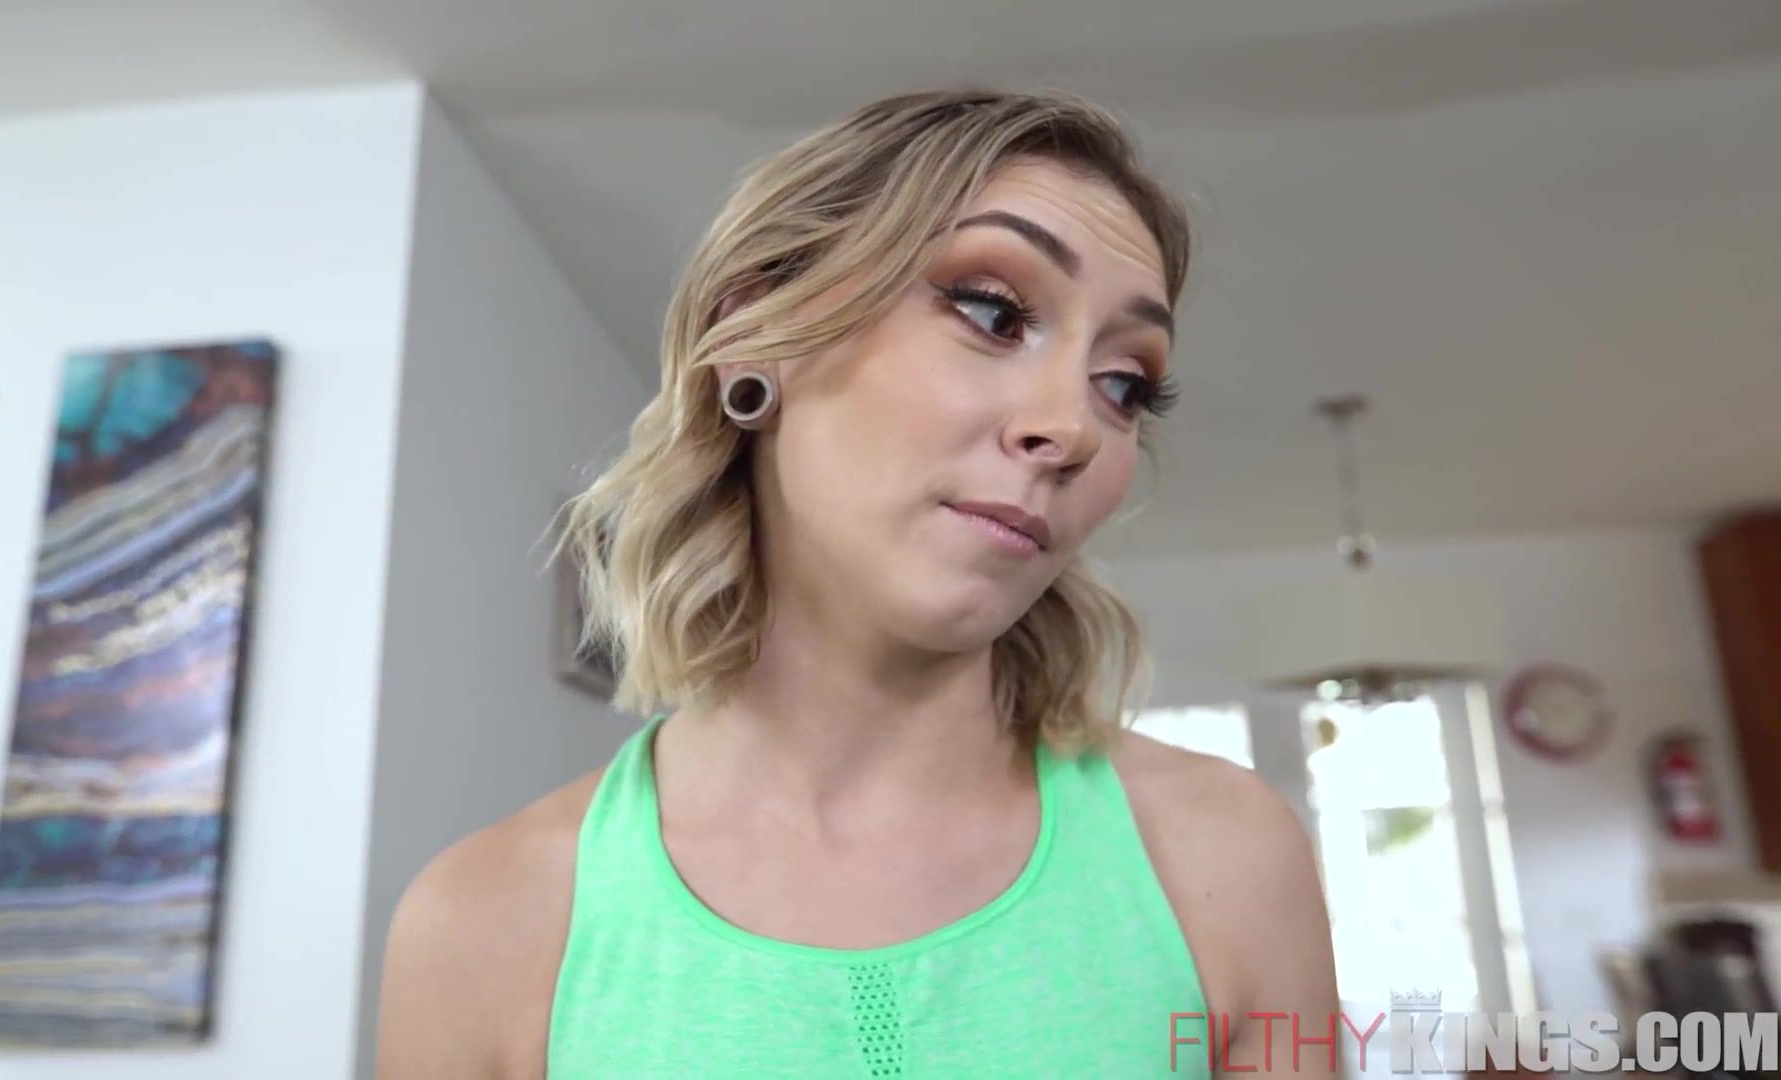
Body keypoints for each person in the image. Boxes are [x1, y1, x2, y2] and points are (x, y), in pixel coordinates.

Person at [377, 87, 1339, 1078]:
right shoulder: (482, 926)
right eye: (993, 312)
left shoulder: (1228, 861)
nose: (1074, 429)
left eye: (1125, 384)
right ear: (757, 335)